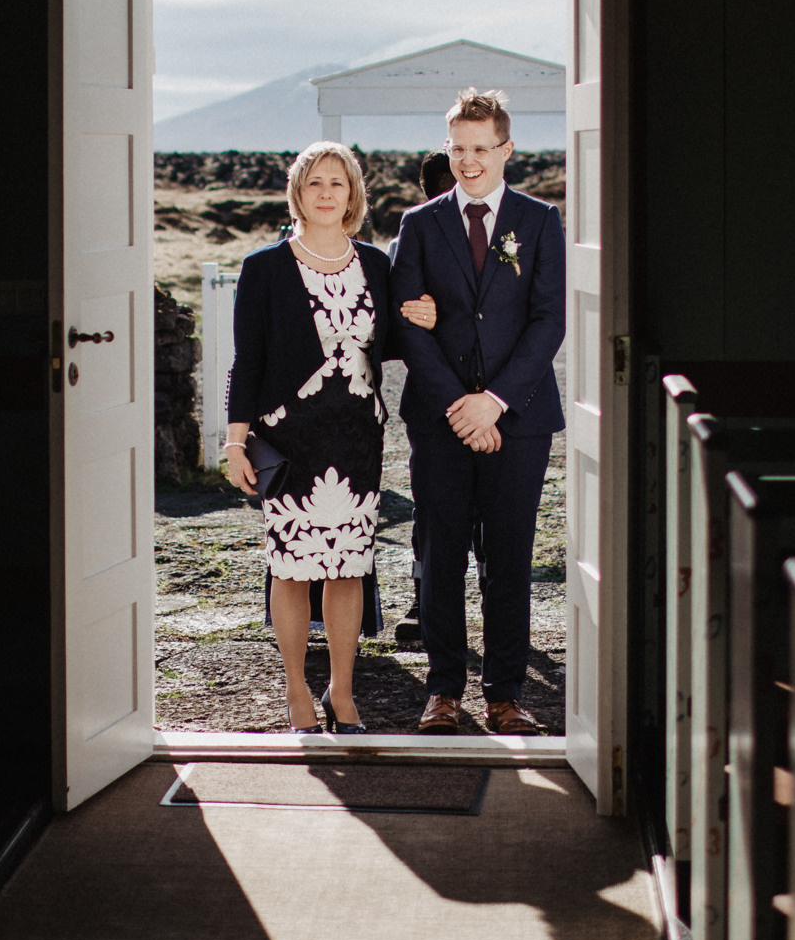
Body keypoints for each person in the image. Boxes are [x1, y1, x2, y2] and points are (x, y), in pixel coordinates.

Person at [389, 88, 565, 736]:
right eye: (458, 148)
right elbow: (408, 324)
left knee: (510, 558)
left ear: (506, 149)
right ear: (448, 148)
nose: (468, 161)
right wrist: (459, 406)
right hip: (440, 419)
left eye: (481, 148)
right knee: (441, 555)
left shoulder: (540, 221)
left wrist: (493, 403)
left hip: (519, 418)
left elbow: (548, 321)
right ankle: (443, 691)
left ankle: (505, 694)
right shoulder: (419, 224)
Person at [224, 142, 401, 732]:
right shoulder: (264, 268)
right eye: (315, 183)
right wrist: (235, 443)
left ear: (353, 195)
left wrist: (426, 313)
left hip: (357, 439)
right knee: (292, 569)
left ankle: (341, 692)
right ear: (297, 193)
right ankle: (297, 690)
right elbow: (247, 361)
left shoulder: (375, 264)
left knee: (349, 567)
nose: (327, 193)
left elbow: (393, 341)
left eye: (338, 183)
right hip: (290, 440)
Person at [393, 148, 483, 648]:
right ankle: (425, 604)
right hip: (433, 403)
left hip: (493, 403)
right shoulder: (411, 238)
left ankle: (487, 601)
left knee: (486, 511)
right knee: (432, 510)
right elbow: (404, 328)